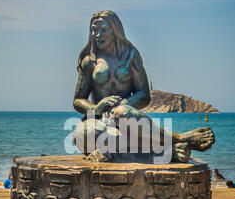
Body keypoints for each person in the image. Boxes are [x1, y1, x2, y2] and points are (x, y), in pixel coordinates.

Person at [73, 10, 215, 162]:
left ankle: (178, 138)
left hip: (126, 117)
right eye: (94, 30)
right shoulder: (89, 61)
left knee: (120, 113)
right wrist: (96, 108)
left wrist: (125, 104)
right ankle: (170, 147)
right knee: (84, 136)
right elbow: (78, 100)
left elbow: (144, 94)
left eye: (103, 30)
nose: (98, 35)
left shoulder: (130, 56)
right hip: (99, 121)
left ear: (115, 30)